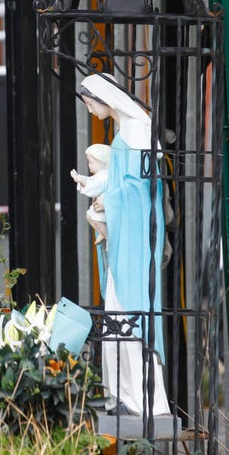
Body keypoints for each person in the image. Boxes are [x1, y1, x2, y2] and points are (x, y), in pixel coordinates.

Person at [78, 72, 169, 416]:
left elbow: (139, 189)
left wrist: (109, 201)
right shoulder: (125, 130)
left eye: (90, 103)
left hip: (133, 235)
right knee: (118, 311)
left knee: (130, 310)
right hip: (124, 234)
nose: (90, 111)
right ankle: (125, 395)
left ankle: (145, 399)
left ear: (105, 98)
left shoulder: (136, 131)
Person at [70, 143, 111, 244]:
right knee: (89, 216)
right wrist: (79, 179)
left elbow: (94, 186)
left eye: (91, 162)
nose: (89, 165)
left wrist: (81, 180)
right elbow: (91, 181)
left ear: (102, 162)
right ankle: (102, 232)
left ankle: (109, 238)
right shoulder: (101, 174)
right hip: (100, 205)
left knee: (95, 219)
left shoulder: (104, 175)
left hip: (103, 206)